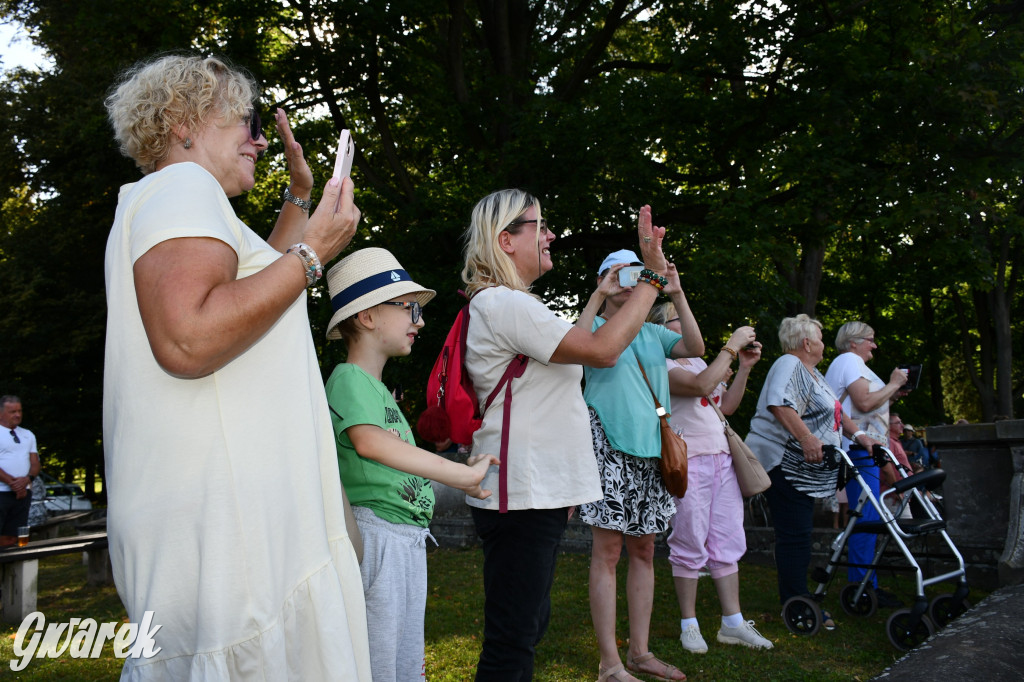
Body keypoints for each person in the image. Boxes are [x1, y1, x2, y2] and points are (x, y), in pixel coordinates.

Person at [103, 54, 370, 679]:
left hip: (221, 515)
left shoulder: (174, 201)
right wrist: (315, 253)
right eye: (245, 123)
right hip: (227, 525)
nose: (259, 140)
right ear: (182, 121)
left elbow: (256, 289)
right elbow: (191, 338)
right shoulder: (181, 188)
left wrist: (300, 197)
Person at [460, 190, 670, 682]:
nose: (551, 235)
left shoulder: (510, 304)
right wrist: (653, 278)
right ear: (506, 240)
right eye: (540, 226)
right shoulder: (505, 303)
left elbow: (557, 381)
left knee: (526, 627)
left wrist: (563, 488)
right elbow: (602, 350)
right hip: (520, 494)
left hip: (533, 492)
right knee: (512, 642)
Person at [323, 247, 498, 681]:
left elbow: (401, 463)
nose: (419, 322)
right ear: (368, 316)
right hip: (378, 536)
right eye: (409, 308)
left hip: (405, 539)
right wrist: (461, 473)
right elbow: (370, 444)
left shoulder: (380, 393)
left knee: (405, 665)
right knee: (378, 666)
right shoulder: (348, 379)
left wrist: (464, 473)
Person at [577, 250, 705, 682]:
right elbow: (574, 348)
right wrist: (599, 295)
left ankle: (640, 653)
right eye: (618, 273)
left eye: (635, 273)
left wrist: (677, 292)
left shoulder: (653, 333)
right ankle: (609, 664)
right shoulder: (593, 327)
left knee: (645, 551)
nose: (627, 282)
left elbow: (696, 348)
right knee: (608, 553)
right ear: (603, 277)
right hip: (608, 447)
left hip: (653, 452)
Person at [648, 305, 773, 654]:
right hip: (688, 461)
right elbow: (701, 386)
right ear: (663, 327)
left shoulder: (698, 362)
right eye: (679, 319)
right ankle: (689, 624)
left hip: (721, 457)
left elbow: (725, 406)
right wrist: (731, 346)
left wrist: (744, 368)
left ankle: (733, 622)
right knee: (689, 538)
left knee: (727, 537)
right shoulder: (661, 363)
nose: (689, 324)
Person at [746, 315, 878, 627]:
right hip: (784, 463)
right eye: (820, 338)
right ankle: (796, 603)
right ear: (807, 343)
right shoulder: (788, 364)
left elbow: (836, 412)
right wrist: (807, 438)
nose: (823, 344)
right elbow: (779, 404)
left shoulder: (813, 373)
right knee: (795, 536)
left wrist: (861, 436)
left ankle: (798, 597)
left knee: (799, 534)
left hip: (803, 469)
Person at [823, 321, 907, 608]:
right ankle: (862, 587)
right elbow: (864, 403)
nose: (874, 345)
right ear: (853, 342)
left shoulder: (852, 363)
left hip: (863, 449)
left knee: (868, 517)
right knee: (866, 518)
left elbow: (865, 403)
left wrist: (892, 394)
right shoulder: (849, 360)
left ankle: (865, 583)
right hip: (857, 450)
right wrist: (893, 384)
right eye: (870, 339)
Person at [0, 396, 41, 546]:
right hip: (2, 492)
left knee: (12, 537)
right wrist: (14, 484)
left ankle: (8, 562)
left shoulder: (28, 434)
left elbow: (35, 462)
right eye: (12, 412)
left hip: (22, 494)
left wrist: (27, 480)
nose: (18, 415)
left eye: (19, 411)